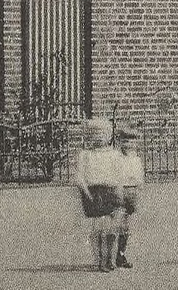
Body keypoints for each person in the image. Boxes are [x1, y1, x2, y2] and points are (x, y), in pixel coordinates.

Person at [71, 116, 125, 271]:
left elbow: (118, 175)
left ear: (109, 135)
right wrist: (86, 192)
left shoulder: (114, 155)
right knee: (98, 229)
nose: (98, 137)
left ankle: (110, 258)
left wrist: (119, 191)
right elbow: (79, 176)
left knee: (112, 229)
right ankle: (99, 259)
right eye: (94, 133)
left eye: (102, 133)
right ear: (88, 136)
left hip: (111, 192)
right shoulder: (86, 155)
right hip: (94, 192)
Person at [112, 126, 145, 269]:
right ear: (120, 142)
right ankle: (111, 255)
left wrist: (136, 191)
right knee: (117, 224)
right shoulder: (117, 158)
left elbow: (139, 178)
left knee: (126, 227)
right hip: (119, 192)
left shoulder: (136, 159)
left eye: (131, 141)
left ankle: (121, 254)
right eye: (125, 141)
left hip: (131, 193)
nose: (128, 144)